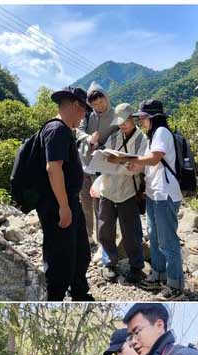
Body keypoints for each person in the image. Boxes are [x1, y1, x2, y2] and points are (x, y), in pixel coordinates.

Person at [36, 86, 94, 301]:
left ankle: (79, 292)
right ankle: (55, 298)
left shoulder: (63, 130)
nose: (83, 116)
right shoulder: (57, 130)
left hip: (69, 201)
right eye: (84, 111)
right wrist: (63, 207)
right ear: (76, 105)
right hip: (57, 204)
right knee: (60, 258)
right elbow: (54, 168)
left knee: (80, 253)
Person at [126, 100, 184, 301]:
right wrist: (136, 167)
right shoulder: (152, 136)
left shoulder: (161, 133)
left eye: (142, 117)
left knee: (168, 241)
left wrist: (130, 160)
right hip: (153, 193)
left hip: (165, 194)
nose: (140, 121)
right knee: (154, 237)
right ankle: (159, 275)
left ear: (153, 117)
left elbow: (154, 159)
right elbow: (150, 164)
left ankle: (175, 284)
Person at [94, 103, 147, 283]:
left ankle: (136, 266)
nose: (122, 125)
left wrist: (119, 161)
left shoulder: (142, 140)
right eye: (120, 122)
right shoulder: (114, 136)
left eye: (125, 121)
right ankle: (109, 263)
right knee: (105, 228)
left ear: (133, 118)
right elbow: (106, 160)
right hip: (108, 189)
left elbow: (138, 167)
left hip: (128, 191)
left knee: (131, 231)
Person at [76, 82, 118, 247]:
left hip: (102, 165)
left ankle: (103, 239)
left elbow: (118, 136)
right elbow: (77, 131)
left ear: (106, 98)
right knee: (85, 199)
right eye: (95, 104)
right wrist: (89, 139)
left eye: (101, 102)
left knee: (100, 203)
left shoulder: (115, 115)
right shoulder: (87, 115)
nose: (99, 106)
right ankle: (88, 236)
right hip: (84, 164)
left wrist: (103, 146)